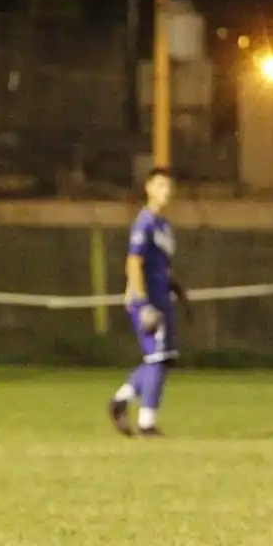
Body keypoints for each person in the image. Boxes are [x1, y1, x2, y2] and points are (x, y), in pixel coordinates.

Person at [109, 167, 188, 436]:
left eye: (169, 186)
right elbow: (133, 263)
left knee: (164, 359)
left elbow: (160, 265)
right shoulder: (144, 222)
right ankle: (147, 424)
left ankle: (120, 401)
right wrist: (142, 304)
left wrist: (174, 285)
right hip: (148, 301)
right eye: (161, 185)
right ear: (149, 188)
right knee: (157, 358)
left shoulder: (164, 225)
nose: (166, 191)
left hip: (162, 298)